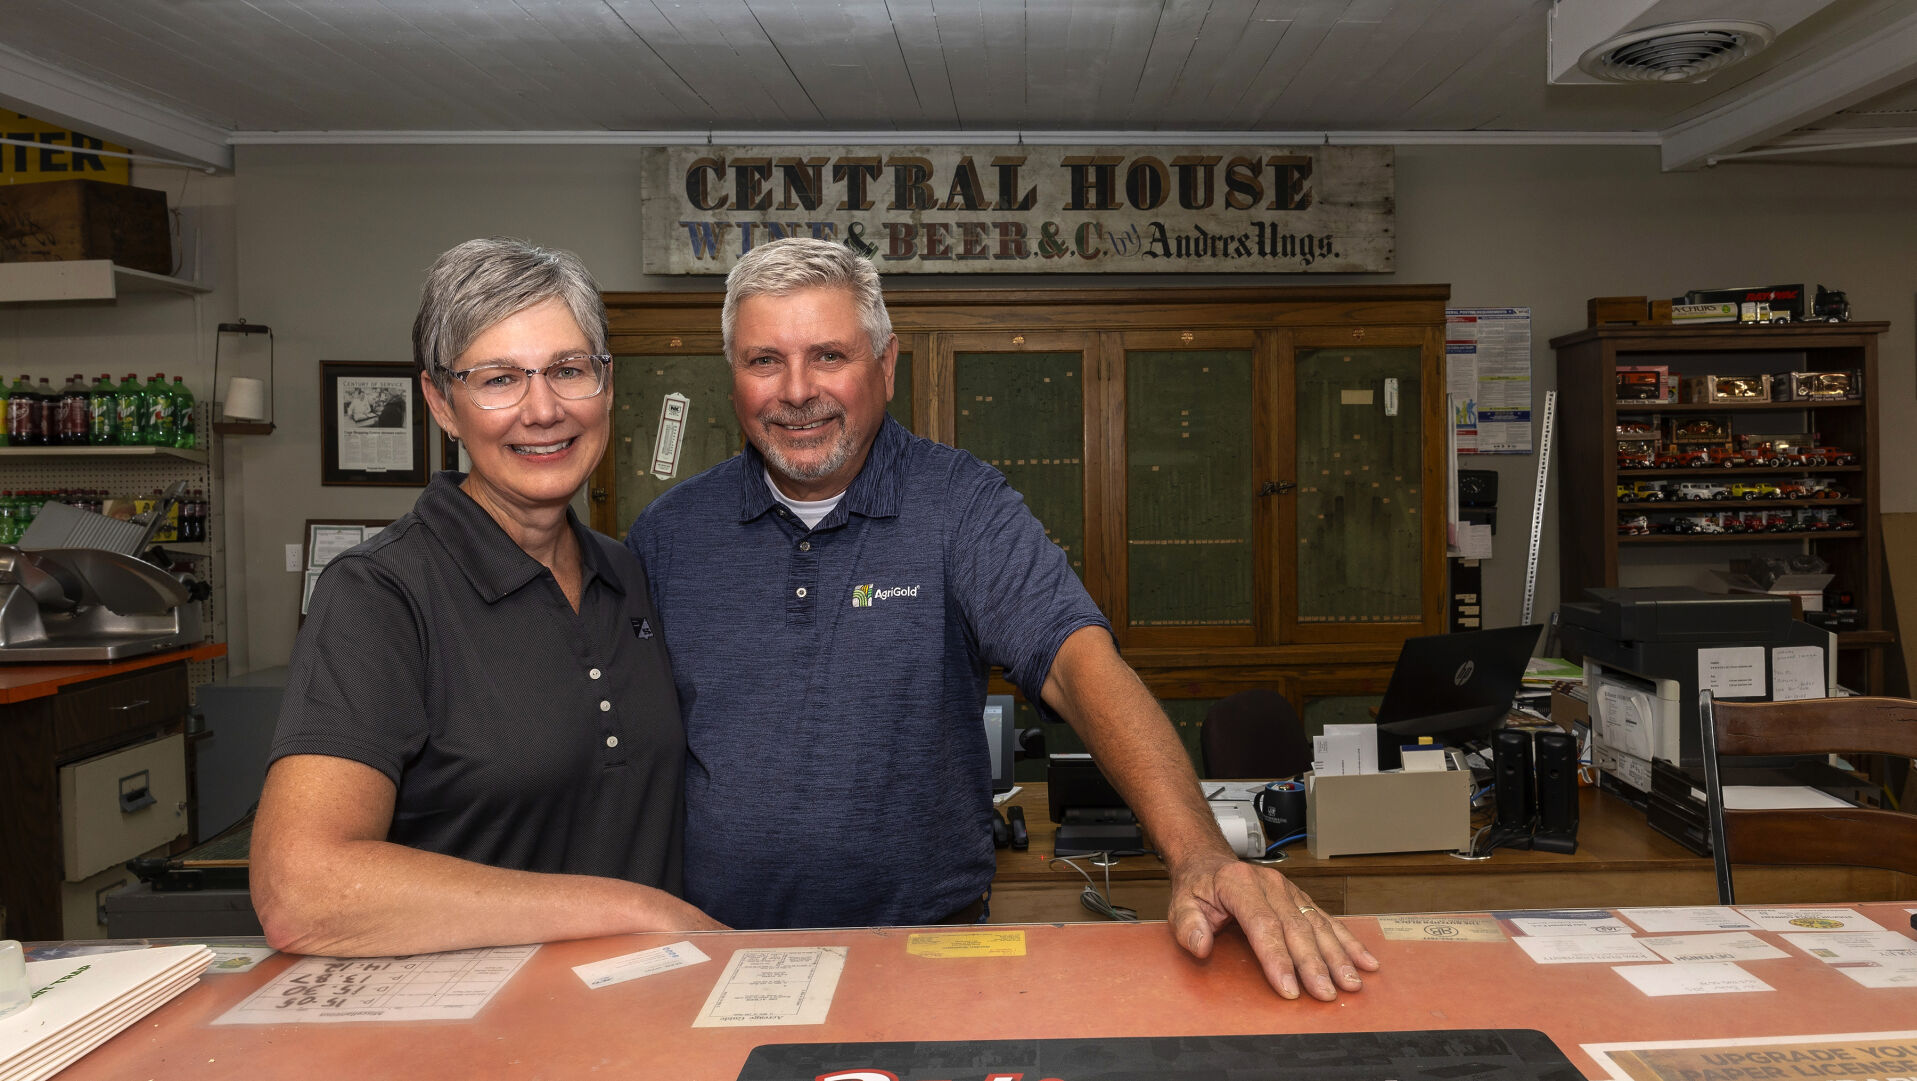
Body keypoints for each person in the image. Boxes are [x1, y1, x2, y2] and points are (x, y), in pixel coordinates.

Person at [627, 237, 1378, 1001]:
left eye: (827, 355)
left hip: (927, 948)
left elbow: (1078, 666)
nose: (796, 390)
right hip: (720, 954)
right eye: (763, 361)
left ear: (884, 366)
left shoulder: (961, 504)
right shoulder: (665, 535)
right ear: (733, 379)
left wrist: (1200, 855)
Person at [253, 237, 721, 957]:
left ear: (607, 383)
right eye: (499, 379)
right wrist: (635, 910)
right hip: (478, 1038)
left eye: (569, 370)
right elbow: (302, 891)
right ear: (441, 402)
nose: (543, 410)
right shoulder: (380, 594)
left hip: (641, 1017)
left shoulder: (628, 574)